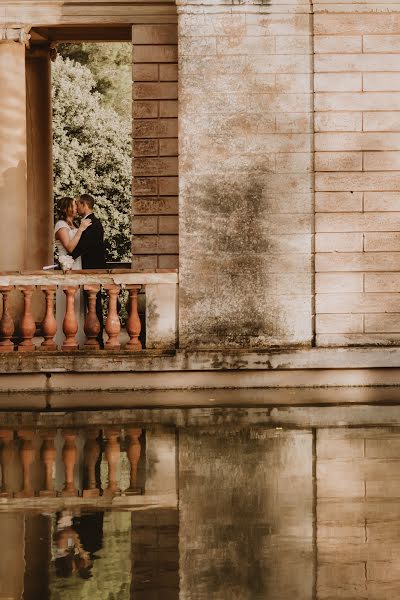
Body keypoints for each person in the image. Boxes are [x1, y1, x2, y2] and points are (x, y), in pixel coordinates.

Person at [54, 197, 92, 348]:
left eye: (77, 205)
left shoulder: (74, 224)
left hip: (78, 265)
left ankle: (79, 339)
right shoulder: (60, 225)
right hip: (68, 268)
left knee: (78, 304)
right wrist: (81, 230)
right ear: (65, 209)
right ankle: (66, 339)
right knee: (69, 302)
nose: (76, 207)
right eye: (73, 205)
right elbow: (69, 248)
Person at [70, 194, 106, 347]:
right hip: (89, 268)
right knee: (92, 304)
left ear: (85, 205)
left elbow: (83, 247)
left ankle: (97, 338)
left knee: (95, 304)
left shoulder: (92, 223)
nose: (76, 207)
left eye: (78, 204)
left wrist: (68, 257)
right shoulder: (89, 222)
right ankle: (93, 336)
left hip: (92, 269)